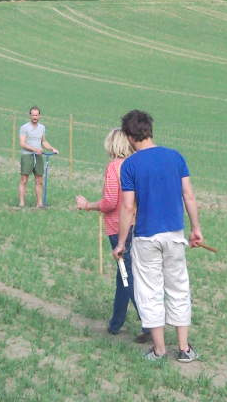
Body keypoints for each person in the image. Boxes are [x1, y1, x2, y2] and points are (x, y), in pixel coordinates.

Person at [113, 109, 205, 362]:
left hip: (146, 238)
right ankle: (184, 349)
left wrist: (121, 242)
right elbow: (189, 195)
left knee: (149, 291)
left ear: (129, 136)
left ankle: (160, 350)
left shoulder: (130, 165)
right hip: (175, 234)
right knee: (178, 288)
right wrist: (196, 228)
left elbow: (128, 207)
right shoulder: (175, 157)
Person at [75, 129, 146, 339]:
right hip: (138, 227)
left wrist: (87, 205)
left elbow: (110, 202)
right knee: (123, 276)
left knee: (128, 277)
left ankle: (150, 323)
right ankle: (116, 323)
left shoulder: (114, 167)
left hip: (119, 230)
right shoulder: (137, 165)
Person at [18, 106, 58, 208]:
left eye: (36, 115)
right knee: (24, 180)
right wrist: (35, 149)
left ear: (39, 116)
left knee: (39, 180)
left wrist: (52, 149)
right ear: (30, 115)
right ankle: (21, 203)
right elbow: (22, 143)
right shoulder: (24, 127)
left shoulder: (42, 128)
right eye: (33, 115)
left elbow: (43, 141)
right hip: (27, 156)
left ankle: (39, 204)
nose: (35, 117)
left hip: (38, 156)